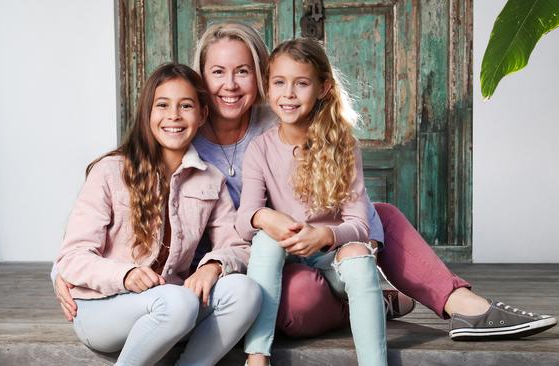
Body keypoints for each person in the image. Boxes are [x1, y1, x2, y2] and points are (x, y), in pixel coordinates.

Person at [54, 22, 556, 344]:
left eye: (244, 72)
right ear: (200, 82)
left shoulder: (277, 127)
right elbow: (121, 203)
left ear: (262, 77)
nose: (230, 85)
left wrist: (327, 234)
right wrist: (67, 272)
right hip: (237, 268)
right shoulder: (180, 134)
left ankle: (466, 305)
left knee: (382, 215)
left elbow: (336, 192)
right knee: (295, 304)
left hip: (305, 244)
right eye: (217, 73)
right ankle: (375, 298)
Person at [55, 63, 262, 366]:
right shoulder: (111, 172)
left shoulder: (210, 179)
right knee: (177, 302)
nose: (174, 116)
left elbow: (239, 246)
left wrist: (214, 266)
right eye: (162, 105)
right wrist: (124, 275)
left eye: (186, 105)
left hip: (172, 304)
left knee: (245, 291)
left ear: (203, 114)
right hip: (101, 308)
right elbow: (72, 256)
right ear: (147, 113)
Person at [237, 38, 387, 366]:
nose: (288, 94)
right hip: (287, 262)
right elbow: (244, 216)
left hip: (330, 261)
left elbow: (360, 224)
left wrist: (325, 236)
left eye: (301, 83)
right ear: (267, 86)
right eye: (279, 82)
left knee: (359, 254)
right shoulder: (259, 150)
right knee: (265, 238)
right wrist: (265, 217)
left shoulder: (342, 146)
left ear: (322, 88)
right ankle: (257, 354)